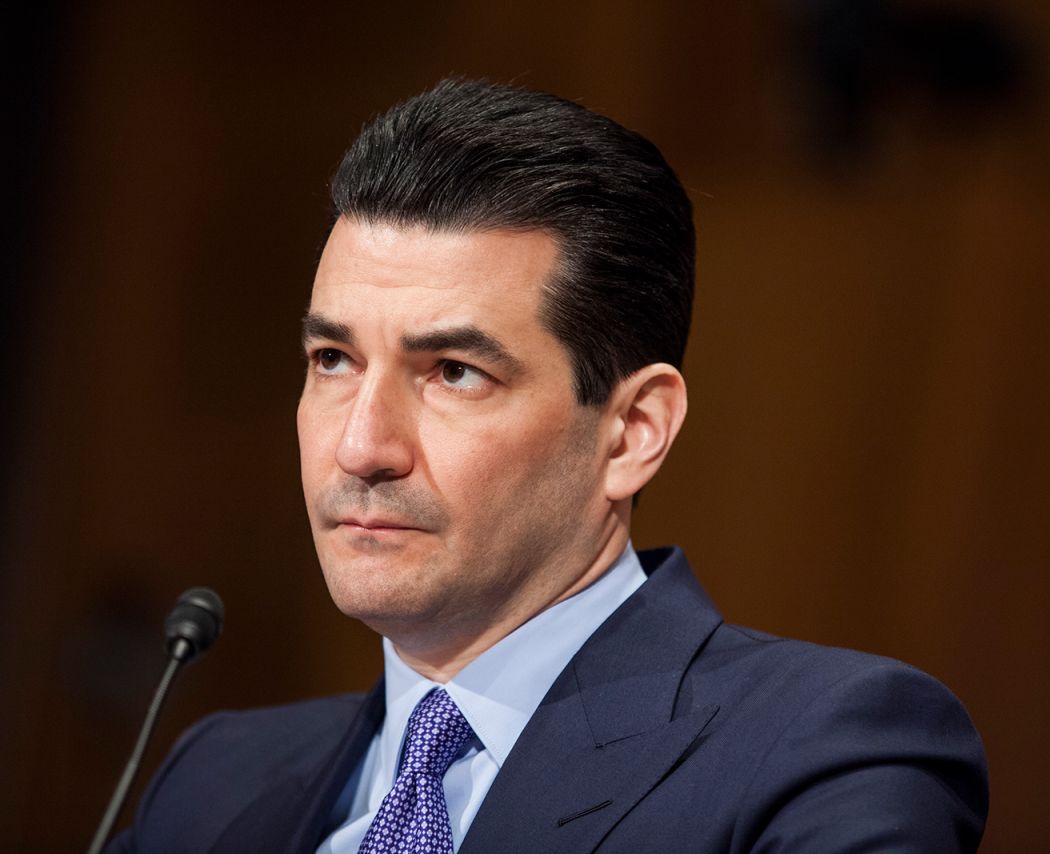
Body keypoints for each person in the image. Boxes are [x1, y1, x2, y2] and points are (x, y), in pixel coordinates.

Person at [108, 77, 987, 853]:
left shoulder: (823, 754)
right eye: (333, 360)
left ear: (632, 432)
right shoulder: (212, 781)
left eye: (455, 373)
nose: (361, 447)